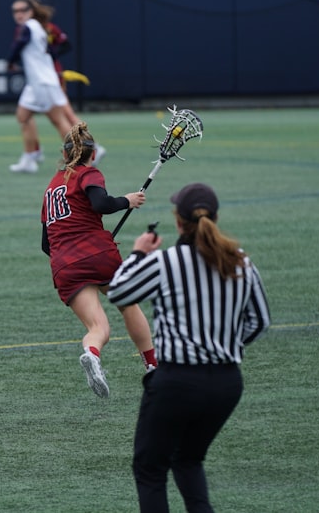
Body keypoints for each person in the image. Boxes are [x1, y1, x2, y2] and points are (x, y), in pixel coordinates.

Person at [107, 183, 271, 512]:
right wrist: (223, 346)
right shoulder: (241, 262)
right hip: (227, 383)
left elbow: (119, 292)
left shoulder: (168, 261)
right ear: (216, 217)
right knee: (189, 459)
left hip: (177, 382)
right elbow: (260, 321)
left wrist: (139, 253)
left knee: (150, 469)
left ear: (179, 222)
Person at [41, 121, 156, 398]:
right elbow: (100, 204)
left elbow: (45, 244)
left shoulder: (51, 188)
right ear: (91, 154)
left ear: (65, 154)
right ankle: (152, 364)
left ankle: (92, 352)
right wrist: (127, 201)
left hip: (64, 265)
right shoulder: (88, 173)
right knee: (129, 306)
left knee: (98, 327)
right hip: (98, 255)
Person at [6, 0, 104, 173]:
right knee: (23, 116)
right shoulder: (39, 28)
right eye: (15, 11)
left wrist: (10, 62)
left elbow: (19, 45)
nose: (18, 14)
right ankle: (30, 156)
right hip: (37, 83)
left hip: (43, 83)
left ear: (32, 12)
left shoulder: (29, 27)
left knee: (59, 120)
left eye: (23, 10)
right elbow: (50, 51)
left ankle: (81, 156)